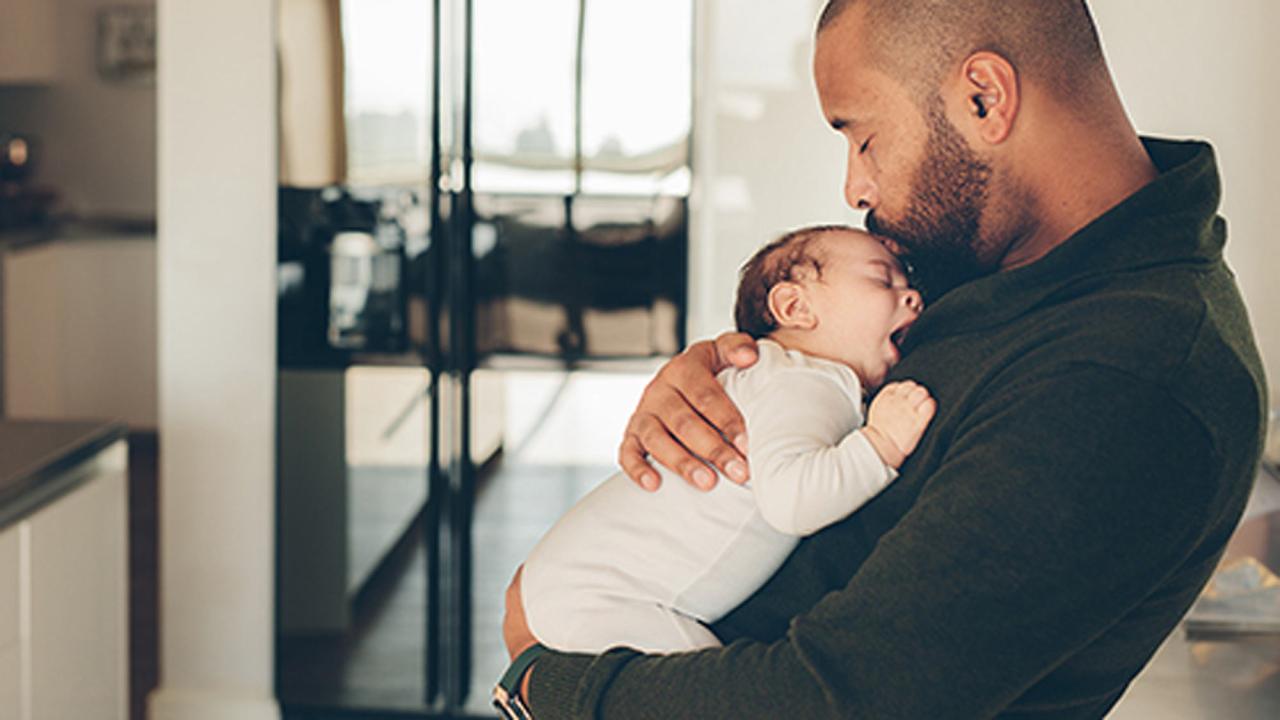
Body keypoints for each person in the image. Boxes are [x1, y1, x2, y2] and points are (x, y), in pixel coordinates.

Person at [499, 1, 1269, 718]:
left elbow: (837, 699)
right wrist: (721, 369)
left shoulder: (1128, 381)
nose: (854, 185)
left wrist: (548, 685)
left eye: (862, 136)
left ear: (984, 99)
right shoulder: (994, 265)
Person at [518, 226, 934, 655]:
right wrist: (881, 443)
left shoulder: (773, 377)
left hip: (570, 578)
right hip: (606, 593)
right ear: (795, 306)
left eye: (908, 284)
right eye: (883, 280)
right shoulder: (805, 382)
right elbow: (792, 501)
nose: (913, 297)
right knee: (704, 684)